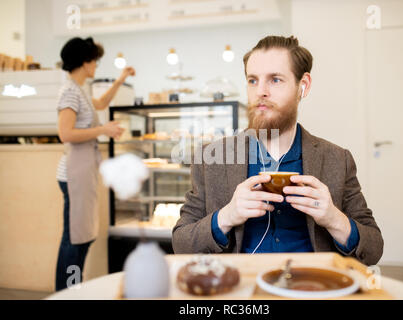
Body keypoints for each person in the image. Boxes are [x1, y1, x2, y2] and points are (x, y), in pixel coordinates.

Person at [172, 35, 383, 266]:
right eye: (253, 80)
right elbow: (181, 243)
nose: (261, 91)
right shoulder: (210, 159)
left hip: (313, 288)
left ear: (303, 86)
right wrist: (226, 217)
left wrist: (334, 219)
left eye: (275, 80)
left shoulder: (337, 159)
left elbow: (373, 249)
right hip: (241, 293)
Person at [55, 37, 135, 291]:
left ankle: (73, 290)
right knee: (74, 240)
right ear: (85, 61)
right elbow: (65, 134)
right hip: (74, 175)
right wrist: (104, 129)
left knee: (82, 238)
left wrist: (120, 80)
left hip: (83, 172)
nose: (96, 66)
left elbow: (100, 103)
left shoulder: (80, 89)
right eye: (95, 61)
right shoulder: (69, 90)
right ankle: (67, 292)